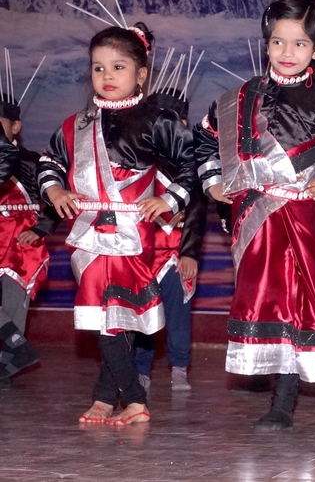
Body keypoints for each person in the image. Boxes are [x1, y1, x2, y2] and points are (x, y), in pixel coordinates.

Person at [194, 0, 315, 430]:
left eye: (300, 43)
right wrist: (213, 182)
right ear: (265, 44)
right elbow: (204, 139)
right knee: (264, 296)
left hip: (298, 211)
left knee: (296, 292)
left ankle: (284, 401)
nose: (287, 52)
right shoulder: (237, 98)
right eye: (278, 41)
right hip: (249, 214)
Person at [37, 23, 196, 424]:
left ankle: (133, 400)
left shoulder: (158, 120)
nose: (107, 76)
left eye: (118, 67)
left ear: (141, 74)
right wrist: (54, 190)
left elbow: (193, 164)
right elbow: (49, 161)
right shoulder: (76, 124)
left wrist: (168, 199)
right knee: (112, 313)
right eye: (98, 68)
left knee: (111, 312)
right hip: (88, 235)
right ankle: (107, 397)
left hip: (131, 234)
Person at [134, 89, 207, 393]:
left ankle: (179, 367)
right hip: (141, 254)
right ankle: (140, 369)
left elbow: (196, 213)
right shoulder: (137, 162)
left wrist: (189, 253)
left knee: (178, 314)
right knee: (141, 312)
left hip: (176, 254)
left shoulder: (189, 167)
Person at [0, 94, 56, 389]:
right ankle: (18, 345)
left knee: (14, 306)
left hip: (21, 243)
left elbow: (58, 199)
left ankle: (7, 367)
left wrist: (41, 229)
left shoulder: (32, 162)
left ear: (15, 126)